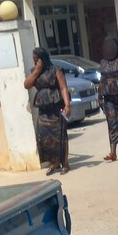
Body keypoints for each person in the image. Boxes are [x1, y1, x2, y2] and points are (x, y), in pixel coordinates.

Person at [24, 47, 72, 175]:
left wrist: (67, 105)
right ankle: (54, 162)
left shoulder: (55, 70)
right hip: (43, 109)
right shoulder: (34, 71)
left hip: (56, 108)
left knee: (60, 136)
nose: (35, 62)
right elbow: (26, 85)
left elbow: (63, 88)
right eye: (34, 60)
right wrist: (37, 70)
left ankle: (65, 163)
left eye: (36, 60)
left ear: (42, 58)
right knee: (44, 137)